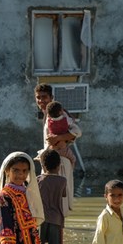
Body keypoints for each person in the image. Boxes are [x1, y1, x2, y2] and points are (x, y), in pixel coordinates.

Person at [34, 83, 81, 216]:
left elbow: (77, 131)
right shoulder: (47, 115)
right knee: (50, 202)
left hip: (60, 162)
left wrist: (58, 138)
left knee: (61, 202)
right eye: (38, 98)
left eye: (44, 97)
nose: (41, 101)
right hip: (51, 162)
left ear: (51, 97)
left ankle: (58, 235)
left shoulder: (60, 113)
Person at [37, 148, 66, 244]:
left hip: (41, 219)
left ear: (43, 166)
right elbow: (63, 195)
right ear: (59, 165)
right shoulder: (63, 181)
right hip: (56, 219)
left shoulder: (38, 180)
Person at [45, 101, 77, 168]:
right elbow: (73, 121)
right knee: (73, 159)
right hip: (63, 149)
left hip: (53, 149)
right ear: (60, 112)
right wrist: (67, 113)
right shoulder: (65, 120)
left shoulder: (49, 122)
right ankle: (71, 170)